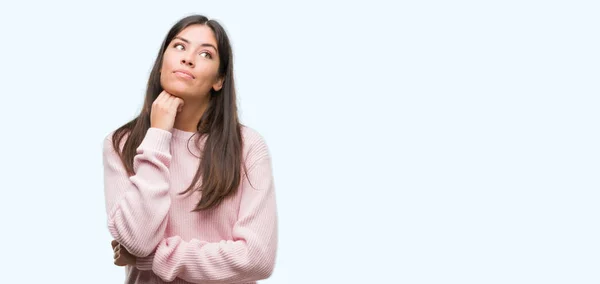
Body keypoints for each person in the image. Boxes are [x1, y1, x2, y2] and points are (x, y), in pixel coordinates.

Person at [102, 14, 278, 284]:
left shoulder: (247, 146)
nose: (188, 58)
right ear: (162, 63)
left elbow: (256, 258)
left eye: (206, 54)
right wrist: (158, 134)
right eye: (179, 47)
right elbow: (138, 240)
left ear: (218, 80)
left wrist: (153, 257)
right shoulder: (122, 143)